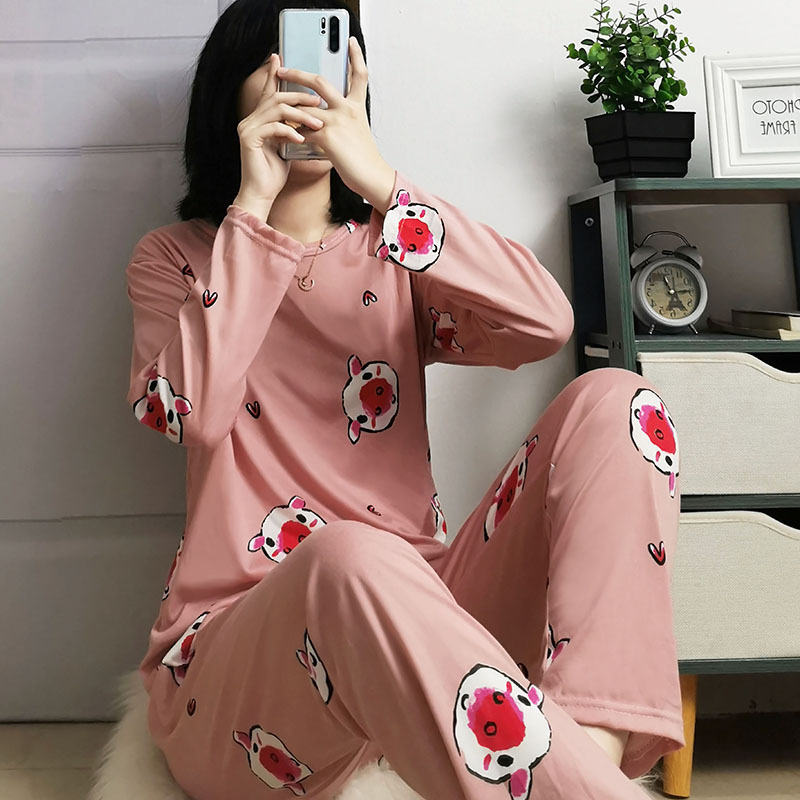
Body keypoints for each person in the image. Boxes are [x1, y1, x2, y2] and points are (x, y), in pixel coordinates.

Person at [124, 1, 685, 797]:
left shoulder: (396, 250)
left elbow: (545, 323)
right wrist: (252, 210)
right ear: (230, 94)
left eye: (323, 59)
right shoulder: (177, 260)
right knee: (348, 555)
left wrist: (382, 184)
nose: (304, 82)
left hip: (425, 626)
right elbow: (193, 413)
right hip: (247, 669)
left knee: (619, 401)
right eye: (276, 61)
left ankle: (585, 754)